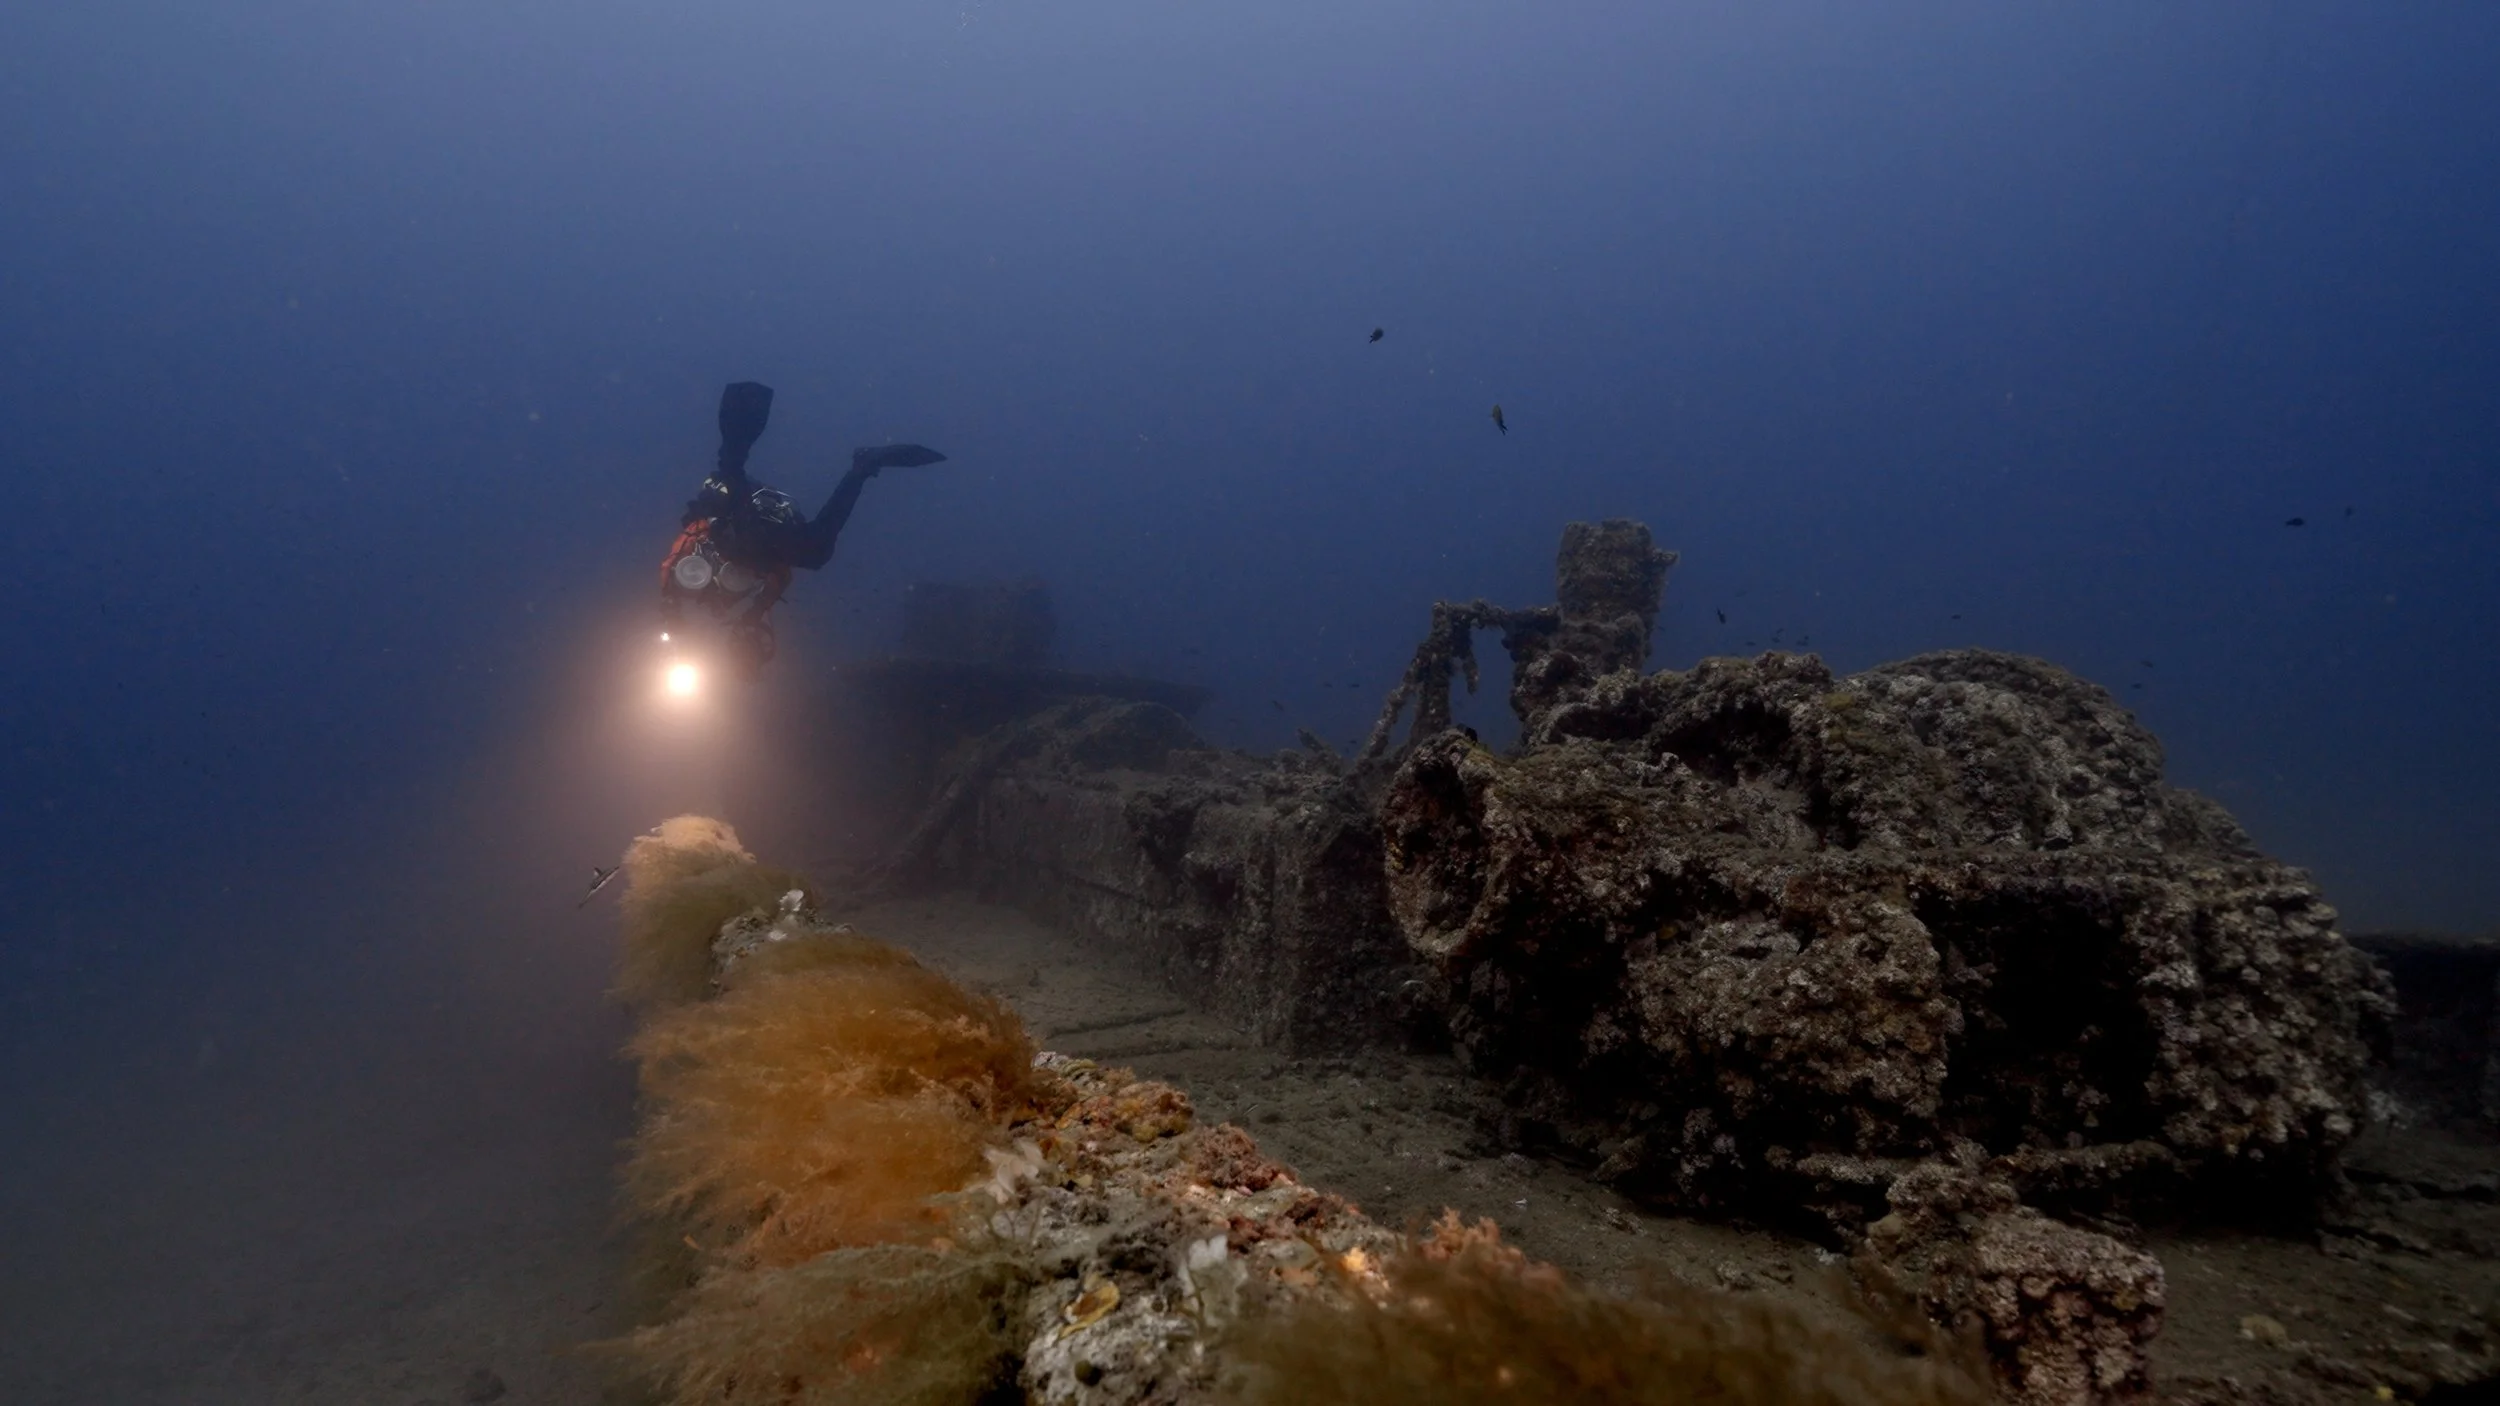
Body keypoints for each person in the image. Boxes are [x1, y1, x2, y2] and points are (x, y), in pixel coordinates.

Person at [659, 381, 946, 675]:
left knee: (729, 487)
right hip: (764, 541)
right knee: (817, 552)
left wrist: (669, 603)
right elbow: (780, 576)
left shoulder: (699, 549)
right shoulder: (750, 589)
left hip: (736, 524)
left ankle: (743, 412)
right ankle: (861, 469)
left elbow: (677, 552)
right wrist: (754, 614)